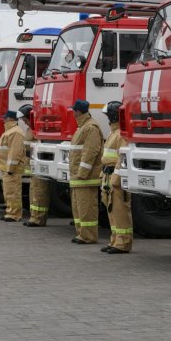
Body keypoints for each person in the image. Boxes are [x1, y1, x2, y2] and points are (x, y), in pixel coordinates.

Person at [68, 99, 103, 244]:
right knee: (79, 208)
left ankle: (88, 236)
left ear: (77, 112)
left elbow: (90, 152)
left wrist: (82, 173)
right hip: (78, 178)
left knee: (87, 208)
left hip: (85, 178)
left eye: (73, 111)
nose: (72, 114)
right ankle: (81, 234)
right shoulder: (82, 127)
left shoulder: (91, 128)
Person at [100, 101, 132, 254]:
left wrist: (116, 177)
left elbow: (122, 157)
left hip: (115, 177)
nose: (106, 118)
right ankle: (115, 240)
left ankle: (123, 243)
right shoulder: (113, 133)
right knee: (111, 210)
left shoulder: (120, 134)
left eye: (108, 115)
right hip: (108, 175)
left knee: (119, 210)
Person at [20, 104, 49, 228]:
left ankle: (39, 218)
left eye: (25, 119)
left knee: (39, 191)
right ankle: (34, 216)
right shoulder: (29, 129)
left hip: (37, 164)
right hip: (32, 166)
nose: (24, 122)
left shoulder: (37, 128)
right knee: (34, 191)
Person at [0, 110, 26, 222]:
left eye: (6, 118)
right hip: (6, 168)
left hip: (11, 169)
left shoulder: (15, 132)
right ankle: (10, 212)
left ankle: (14, 214)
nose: (4, 120)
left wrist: (11, 168)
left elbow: (15, 152)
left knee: (13, 192)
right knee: (8, 192)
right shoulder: (10, 131)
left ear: (11, 119)